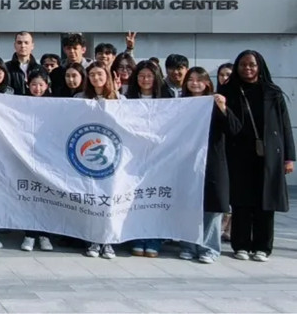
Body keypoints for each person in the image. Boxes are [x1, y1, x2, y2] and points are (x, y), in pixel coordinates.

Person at [218, 50, 295, 262]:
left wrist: (289, 157)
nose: (247, 68)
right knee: (241, 201)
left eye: (252, 64)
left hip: (269, 155)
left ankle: (263, 247)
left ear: (259, 66)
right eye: (243, 65)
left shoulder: (273, 92)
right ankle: (240, 245)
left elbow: (285, 125)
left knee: (265, 202)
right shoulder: (228, 91)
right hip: (239, 154)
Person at [178, 67, 230, 264]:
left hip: (213, 162)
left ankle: (209, 248)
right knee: (187, 204)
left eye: (200, 79)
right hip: (186, 161)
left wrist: (223, 107)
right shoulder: (181, 104)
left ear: (208, 82)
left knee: (213, 206)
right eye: (190, 79)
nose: (195, 83)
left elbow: (233, 129)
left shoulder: (216, 103)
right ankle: (188, 245)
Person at [126, 60, 171, 258]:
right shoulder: (127, 99)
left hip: (159, 156)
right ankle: (137, 237)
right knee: (136, 198)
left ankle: (154, 239)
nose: (145, 80)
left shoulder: (167, 98)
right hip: (134, 157)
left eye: (149, 76)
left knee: (156, 198)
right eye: (142, 76)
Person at [78, 63, 122, 259]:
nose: (96, 78)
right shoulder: (79, 99)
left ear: (107, 76)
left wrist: (118, 96)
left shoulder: (120, 99)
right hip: (86, 156)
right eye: (92, 74)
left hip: (112, 157)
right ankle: (93, 240)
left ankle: (109, 242)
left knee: (110, 200)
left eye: (100, 74)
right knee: (91, 200)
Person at [20, 67, 55, 252]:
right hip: (27, 154)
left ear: (47, 85)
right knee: (30, 195)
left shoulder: (55, 104)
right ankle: (29, 235)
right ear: (28, 85)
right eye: (34, 84)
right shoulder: (19, 103)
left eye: (41, 85)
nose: (37, 88)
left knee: (46, 196)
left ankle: (45, 235)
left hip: (48, 157)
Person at [216, 62, 235, 241]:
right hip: (218, 150)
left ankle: (230, 228)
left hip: (236, 150)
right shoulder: (213, 97)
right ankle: (222, 225)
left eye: (228, 74)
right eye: (221, 74)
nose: (224, 78)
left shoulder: (239, 95)